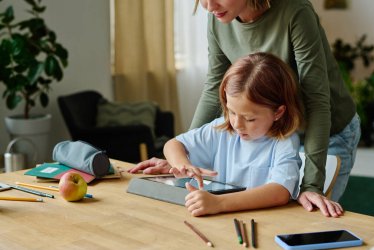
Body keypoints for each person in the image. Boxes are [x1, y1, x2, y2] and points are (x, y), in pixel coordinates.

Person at [130, 0, 361, 217]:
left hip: (326, 130)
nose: (209, 6)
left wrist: (312, 185)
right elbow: (213, 89)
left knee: (304, 218)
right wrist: (184, 161)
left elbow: (317, 101)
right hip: (263, 128)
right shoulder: (219, 16)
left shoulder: (295, 12)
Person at [132, 52, 303, 216]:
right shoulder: (222, 129)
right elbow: (173, 144)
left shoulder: (284, 141)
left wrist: (219, 203)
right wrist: (183, 164)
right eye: (232, 112)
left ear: (278, 112)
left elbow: (279, 192)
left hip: (261, 223)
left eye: (249, 119)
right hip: (220, 219)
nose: (237, 124)